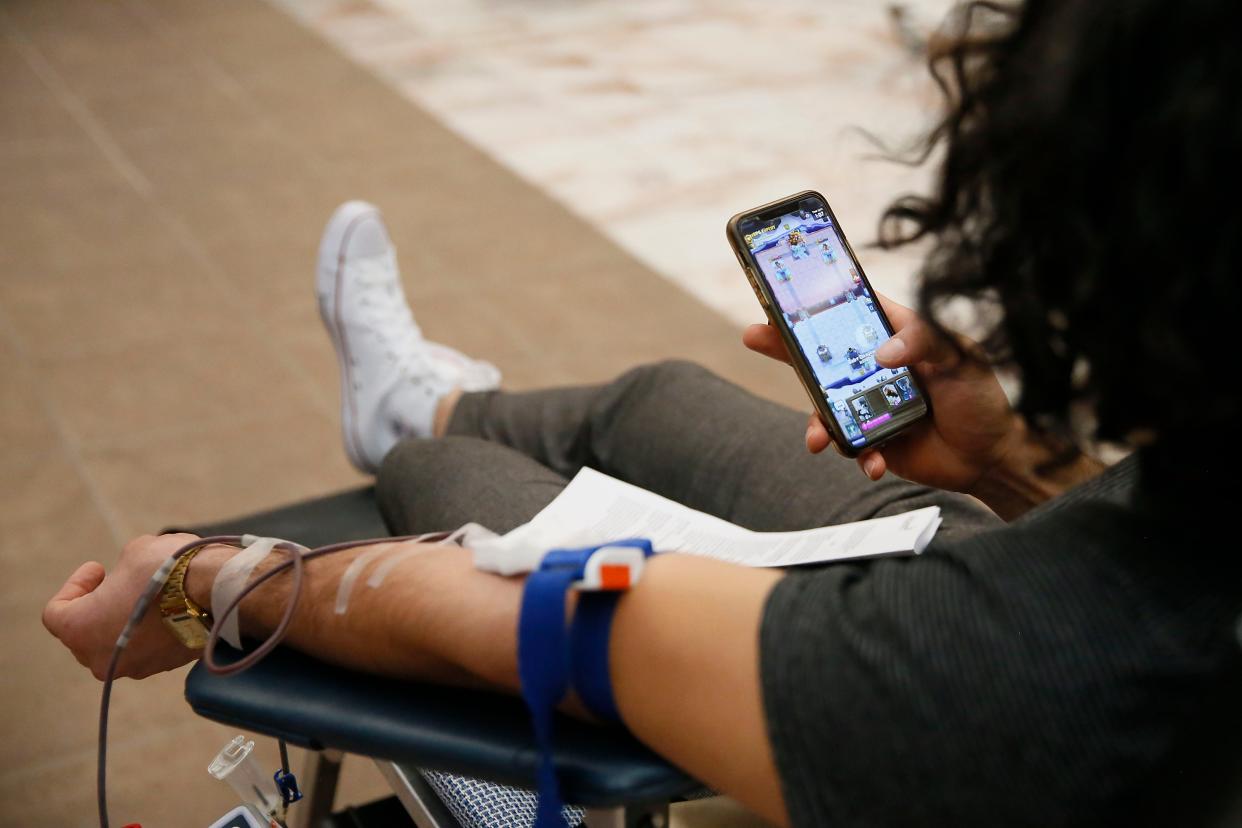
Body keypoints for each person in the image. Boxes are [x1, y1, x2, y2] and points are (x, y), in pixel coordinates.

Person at [42, 0, 1242, 826]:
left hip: (956, 666)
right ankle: (424, 395)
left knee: (460, 495)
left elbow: (537, 611)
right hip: (1027, 573)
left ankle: (419, 428)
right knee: (657, 398)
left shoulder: (1042, 674)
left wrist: (205, 578)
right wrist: (1017, 467)